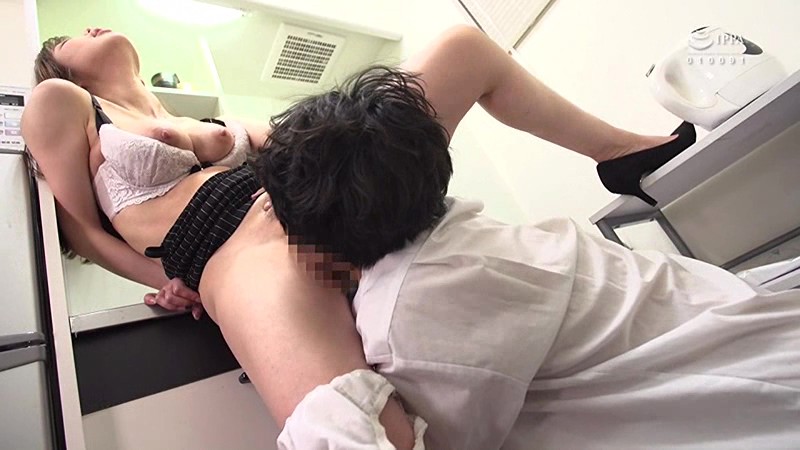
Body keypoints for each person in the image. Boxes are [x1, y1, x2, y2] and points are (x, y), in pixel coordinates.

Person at [24, 25, 697, 448]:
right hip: (228, 249)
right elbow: (82, 226)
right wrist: (169, 279)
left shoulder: (174, 108)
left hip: (304, 197)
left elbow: (284, 138)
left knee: (463, 50)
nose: (89, 28)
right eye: (68, 38)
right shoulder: (62, 104)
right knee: (352, 427)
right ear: (62, 70)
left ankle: (624, 154)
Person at [254, 33, 800, 450]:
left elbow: (445, 438)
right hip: (725, 307)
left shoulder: (409, 321)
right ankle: (621, 152)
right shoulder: (452, 224)